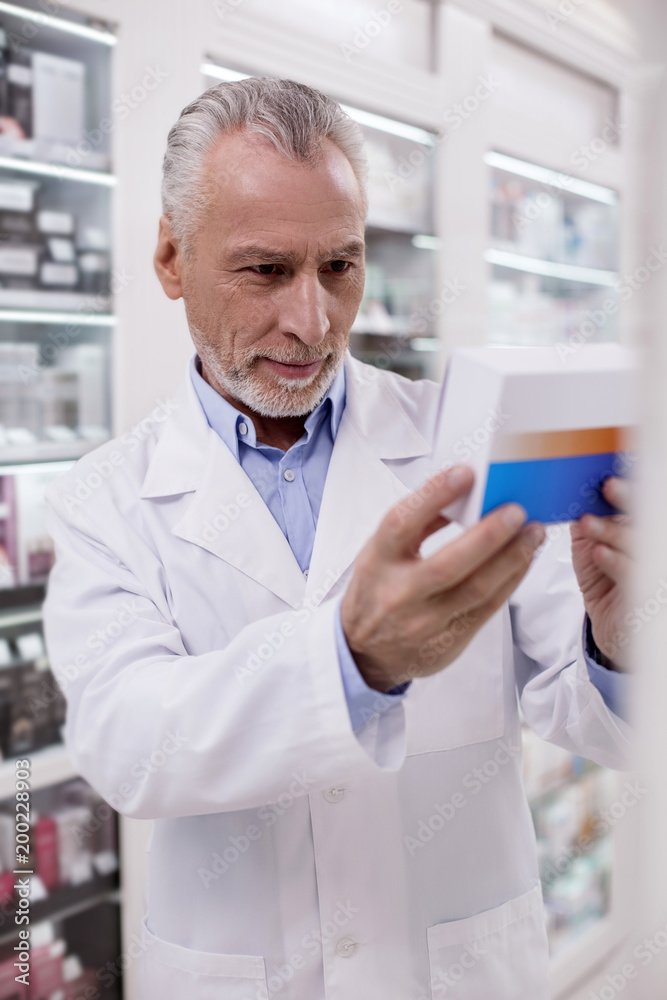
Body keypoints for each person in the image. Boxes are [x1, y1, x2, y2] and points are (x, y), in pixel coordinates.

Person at [42, 78, 633, 1000]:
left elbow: (593, 715)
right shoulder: (107, 498)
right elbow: (128, 748)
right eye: (266, 270)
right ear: (169, 256)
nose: (312, 322)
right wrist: (350, 661)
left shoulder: (460, 437)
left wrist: (618, 639)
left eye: (340, 267)